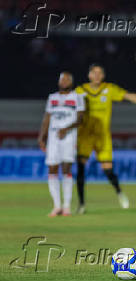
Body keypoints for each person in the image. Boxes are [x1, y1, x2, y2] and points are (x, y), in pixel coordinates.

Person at [75, 64, 136, 214]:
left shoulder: (109, 89)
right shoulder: (80, 91)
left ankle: (119, 192)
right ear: (89, 75)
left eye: (99, 73)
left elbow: (129, 96)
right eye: (94, 73)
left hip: (103, 137)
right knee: (81, 169)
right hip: (85, 136)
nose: (96, 75)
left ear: (103, 76)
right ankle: (81, 204)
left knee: (108, 171)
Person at [38, 72, 85, 217]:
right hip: (53, 137)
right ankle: (56, 206)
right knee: (52, 169)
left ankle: (66, 207)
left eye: (67, 79)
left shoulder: (78, 97)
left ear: (71, 82)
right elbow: (47, 118)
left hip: (69, 138)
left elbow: (80, 119)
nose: (64, 81)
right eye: (62, 79)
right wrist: (42, 136)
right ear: (58, 82)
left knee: (66, 169)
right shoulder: (52, 98)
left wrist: (66, 129)